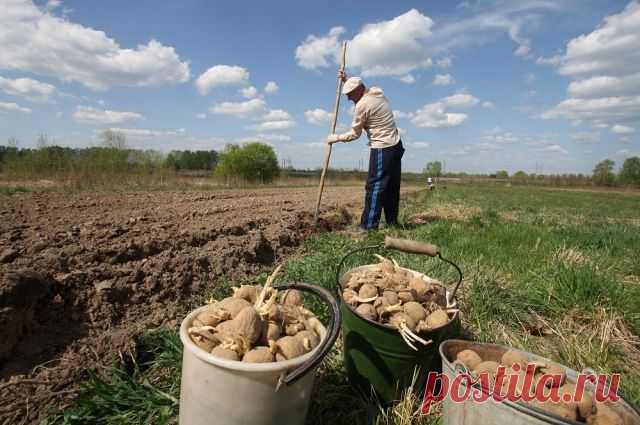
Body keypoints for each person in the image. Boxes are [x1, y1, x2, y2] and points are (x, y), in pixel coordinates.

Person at [327, 72, 405, 231]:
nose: (348, 99)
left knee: (375, 186)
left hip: (382, 147)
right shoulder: (377, 92)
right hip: (396, 145)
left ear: (357, 91)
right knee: (391, 187)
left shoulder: (362, 106)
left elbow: (355, 134)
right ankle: (392, 223)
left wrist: (335, 137)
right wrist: (345, 80)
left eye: (349, 95)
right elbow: (361, 88)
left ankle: (368, 227)